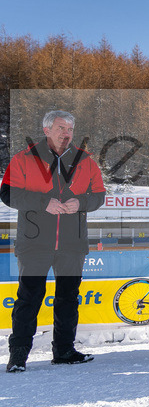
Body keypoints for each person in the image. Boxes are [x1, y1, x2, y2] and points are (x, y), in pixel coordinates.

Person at [2, 110, 106, 372]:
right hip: (34, 243)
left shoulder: (86, 161)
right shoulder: (25, 159)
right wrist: (42, 203)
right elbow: (7, 193)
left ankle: (64, 351)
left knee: (68, 299)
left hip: (73, 244)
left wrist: (80, 203)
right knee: (29, 299)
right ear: (47, 130)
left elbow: (99, 196)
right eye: (61, 127)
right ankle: (18, 357)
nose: (66, 133)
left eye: (70, 128)